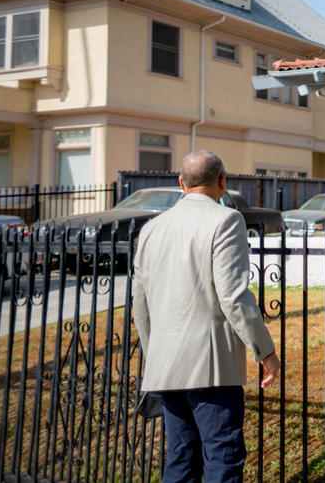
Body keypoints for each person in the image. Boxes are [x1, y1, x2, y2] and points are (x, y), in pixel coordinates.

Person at [132, 151, 281, 483]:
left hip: (165, 366)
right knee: (223, 459)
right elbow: (233, 295)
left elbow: (139, 304)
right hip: (212, 367)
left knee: (180, 459)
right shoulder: (226, 219)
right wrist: (265, 352)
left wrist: (153, 353)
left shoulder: (151, 229)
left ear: (181, 183)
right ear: (223, 181)